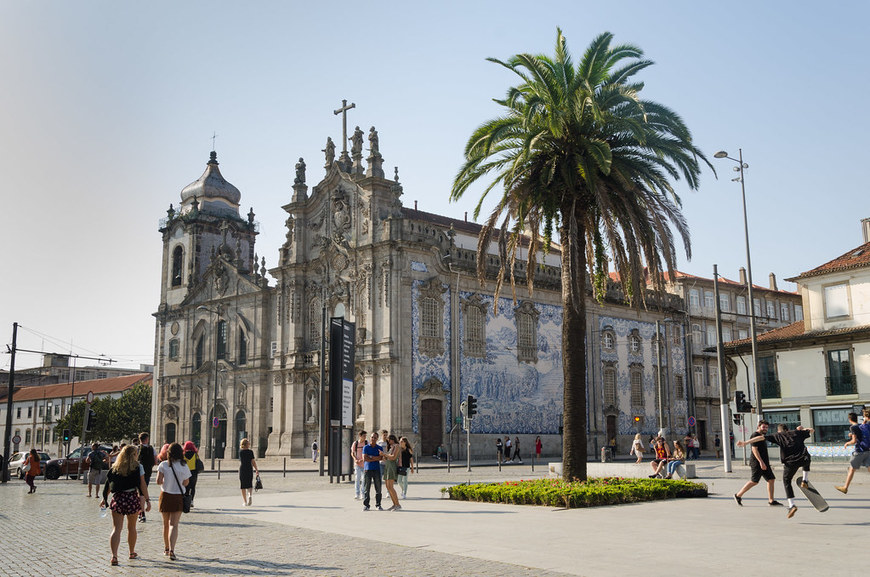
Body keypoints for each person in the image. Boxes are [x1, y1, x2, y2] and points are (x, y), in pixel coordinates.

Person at [739, 424, 815, 519]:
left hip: (791, 462)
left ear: (779, 431)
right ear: (788, 429)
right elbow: (812, 430)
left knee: (787, 481)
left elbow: (760, 438)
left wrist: (746, 442)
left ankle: (792, 505)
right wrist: (803, 429)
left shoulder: (777, 436)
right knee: (806, 458)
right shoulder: (797, 432)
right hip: (804, 459)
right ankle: (805, 480)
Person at [102, 445, 150, 566]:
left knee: (116, 528)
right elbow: (142, 484)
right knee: (132, 528)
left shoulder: (115, 467)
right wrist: (147, 500)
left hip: (118, 498)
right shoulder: (138, 467)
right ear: (134, 454)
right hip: (132, 498)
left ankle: (114, 556)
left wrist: (104, 498)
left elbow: (109, 484)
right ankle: (131, 552)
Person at [733, 420, 782, 507]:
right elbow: (754, 450)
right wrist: (761, 462)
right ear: (758, 426)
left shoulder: (761, 436)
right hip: (757, 462)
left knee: (771, 479)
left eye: (766, 427)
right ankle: (738, 495)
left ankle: (771, 500)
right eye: (763, 427)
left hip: (764, 462)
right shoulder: (755, 435)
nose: (765, 429)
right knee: (754, 481)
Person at [156, 442, 190, 560]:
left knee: (165, 524)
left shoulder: (163, 465)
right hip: (178, 496)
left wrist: (167, 480)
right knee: (173, 525)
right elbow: (186, 482)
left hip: (165, 495)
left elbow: (158, 481)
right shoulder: (184, 465)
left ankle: (165, 548)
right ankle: (172, 550)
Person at [836, 409, 870, 494]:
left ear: (849, 419)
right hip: (868, 451)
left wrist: (847, 443)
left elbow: (854, 441)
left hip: (860, 450)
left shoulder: (854, 427)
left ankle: (845, 487)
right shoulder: (862, 425)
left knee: (851, 469)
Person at [362, 431, 384, 511]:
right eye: (372, 437)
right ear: (370, 438)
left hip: (377, 469)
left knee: (378, 488)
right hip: (367, 469)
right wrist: (375, 458)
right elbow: (365, 458)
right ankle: (366, 505)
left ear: (377, 438)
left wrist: (371, 457)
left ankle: (378, 504)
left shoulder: (379, 448)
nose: (373, 439)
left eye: (375, 437)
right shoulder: (366, 447)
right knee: (366, 488)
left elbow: (381, 458)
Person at [137, 432, 156, 523]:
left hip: (137, 473)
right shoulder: (152, 448)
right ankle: (141, 513)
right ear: (147, 439)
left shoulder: (136, 449)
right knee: (143, 493)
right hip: (147, 473)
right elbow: (155, 461)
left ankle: (141, 512)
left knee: (138, 493)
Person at [182, 441, 204, 509]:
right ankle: (191, 501)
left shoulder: (183, 454)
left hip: (186, 472)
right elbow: (198, 462)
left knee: (186, 487)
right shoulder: (195, 455)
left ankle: (186, 501)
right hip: (194, 473)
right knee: (193, 487)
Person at [382, 434, 401, 511]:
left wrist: (384, 454)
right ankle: (394, 504)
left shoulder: (396, 446)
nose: (388, 441)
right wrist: (384, 457)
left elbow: (393, 457)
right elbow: (388, 458)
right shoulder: (391, 447)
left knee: (391, 486)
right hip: (387, 466)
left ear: (392, 439)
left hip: (392, 467)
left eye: (389, 440)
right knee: (388, 486)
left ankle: (398, 504)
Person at [239, 438, 259, 507]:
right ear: (247, 445)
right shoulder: (250, 452)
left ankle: (245, 501)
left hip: (243, 469)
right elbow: (253, 461)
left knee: (243, 486)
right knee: (249, 484)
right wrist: (256, 469)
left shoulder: (241, 452)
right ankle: (249, 495)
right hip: (249, 469)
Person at [351, 430, 367, 500]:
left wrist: (363, 459)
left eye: (365, 436)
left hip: (365, 463)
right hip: (357, 464)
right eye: (364, 436)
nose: (365, 437)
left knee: (364, 479)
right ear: (360, 436)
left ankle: (362, 493)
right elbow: (352, 452)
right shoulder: (355, 443)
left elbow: (367, 453)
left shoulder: (366, 443)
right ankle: (357, 493)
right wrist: (355, 459)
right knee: (357, 479)